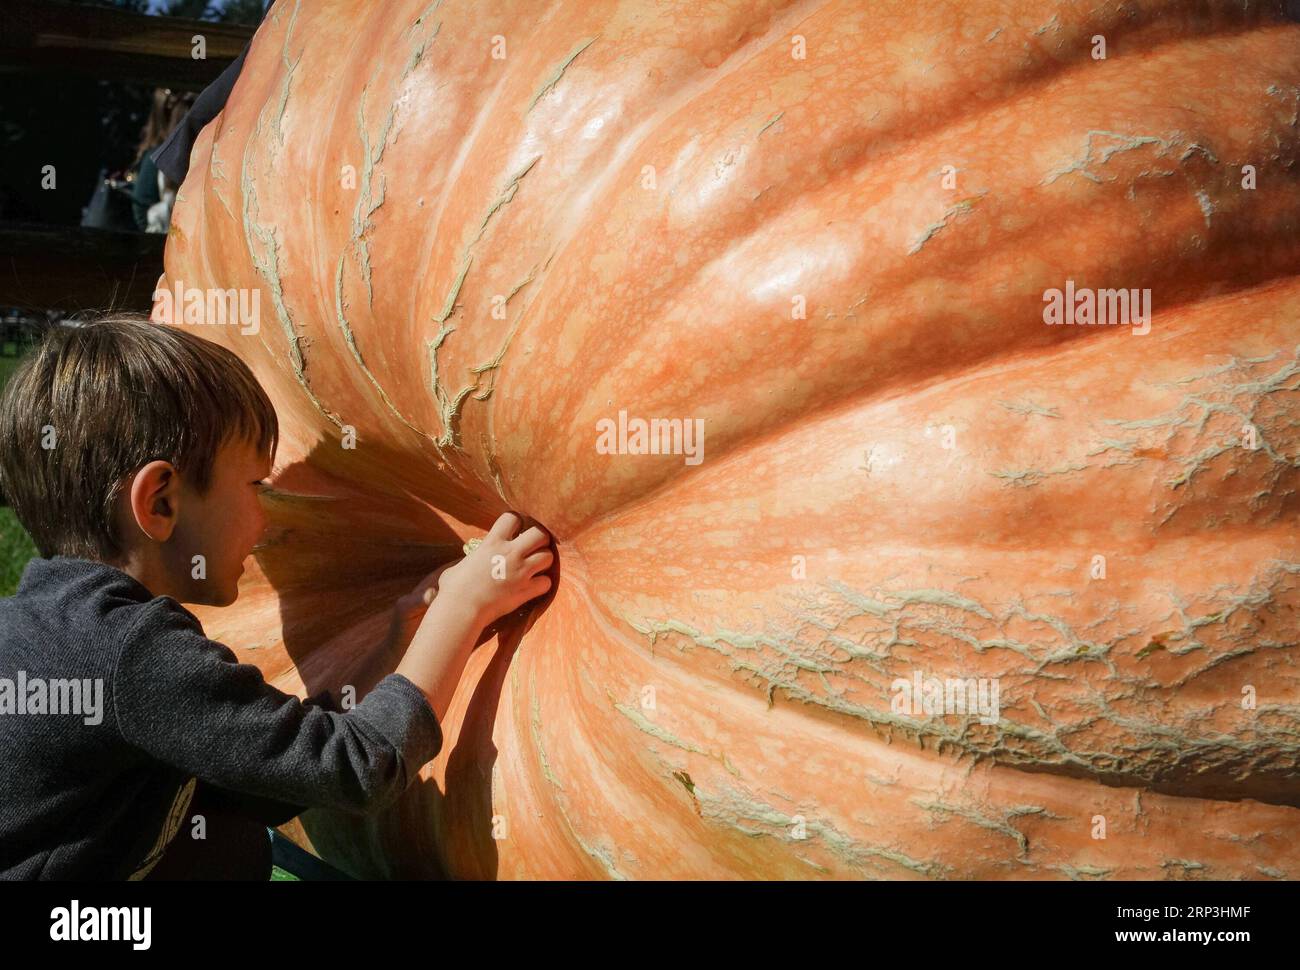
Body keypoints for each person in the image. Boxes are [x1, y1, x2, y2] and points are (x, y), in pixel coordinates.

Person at [0, 313, 554, 879]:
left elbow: (260, 773)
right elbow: (358, 770)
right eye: (255, 486)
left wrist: (394, 645)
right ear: (160, 503)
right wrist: (465, 608)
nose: (267, 520)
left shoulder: (43, 630)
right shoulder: (136, 654)